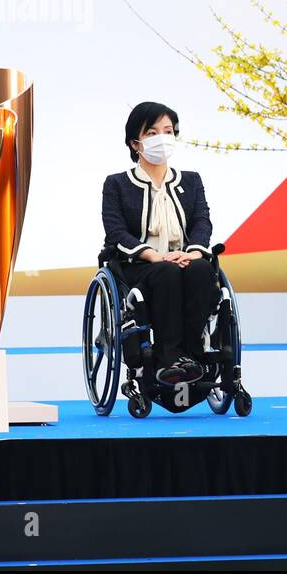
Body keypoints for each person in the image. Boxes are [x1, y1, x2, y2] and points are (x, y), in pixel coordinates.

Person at [100, 101, 218, 387]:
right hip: (140, 267)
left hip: (184, 259)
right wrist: (154, 256)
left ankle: (190, 353)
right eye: (152, 133)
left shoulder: (191, 181)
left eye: (168, 131)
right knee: (166, 273)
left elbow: (202, 221)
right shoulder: (117, 184)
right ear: (135, 143)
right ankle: (169, 356)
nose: (162, 139)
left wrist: (192, 252)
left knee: (202, 270)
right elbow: (116, 231)